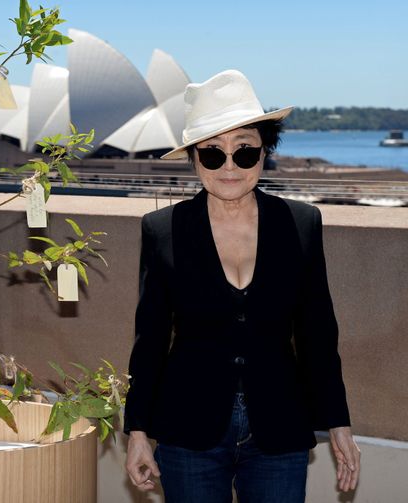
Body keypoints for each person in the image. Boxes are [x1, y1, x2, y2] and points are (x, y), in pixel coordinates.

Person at [123, 70, 360, 502]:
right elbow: (151, 338)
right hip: (188, 429)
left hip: (280, 428)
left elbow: (318, 334)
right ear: (194, 159)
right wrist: (137, 430)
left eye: (244, 152)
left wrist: (339, 424)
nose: (229, 167)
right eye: (213, 155)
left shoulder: (301, 223)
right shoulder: (163, 230)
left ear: (264, 153)